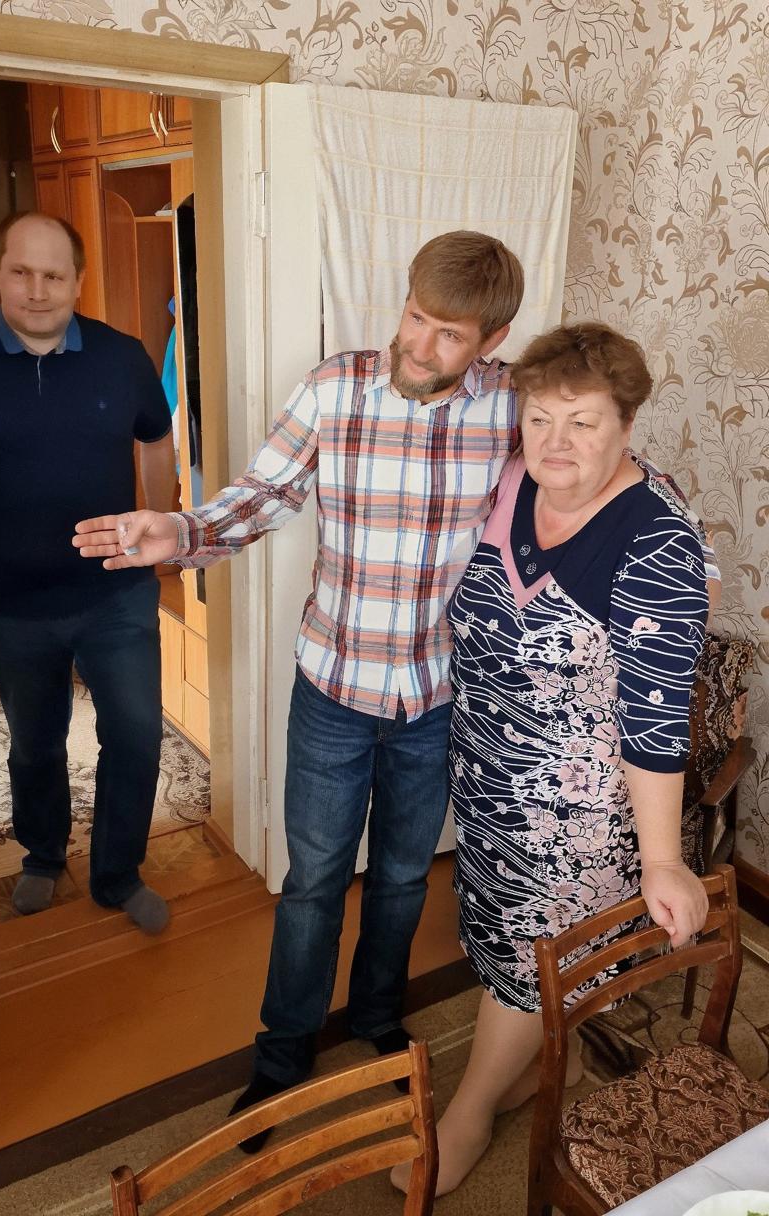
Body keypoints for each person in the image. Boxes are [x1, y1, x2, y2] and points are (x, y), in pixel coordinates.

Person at [71, 233, 718, 1147]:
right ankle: (283, 1054)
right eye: (415, 316)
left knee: (405, 878)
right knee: (313, 884)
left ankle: (378, 1023)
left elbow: (610, 471)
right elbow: (260, 495)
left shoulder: (512, 409)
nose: (419, 345)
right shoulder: (337, 387)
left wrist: (699, 557)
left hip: (434, 700)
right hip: (335, 687)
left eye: (448, 334)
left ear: (491, 341)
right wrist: (177, 531)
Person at [392, 322, 711, 1198]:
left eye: (583, 422)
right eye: (540, 418)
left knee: (536, 962)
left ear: (626, 426)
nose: (556, 442)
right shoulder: (507, 485)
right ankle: (536, 1066)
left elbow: (654, 720)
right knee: (501, 943)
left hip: (579, 817)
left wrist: (663, 860)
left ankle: (470, 1109)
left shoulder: (656, 541)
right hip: (489, 782)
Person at [0, 212, 177, 935]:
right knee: (34, 740)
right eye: (21, 272)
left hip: (115, 593)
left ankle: (118, 872)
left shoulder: (122, 356)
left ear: (78, 280)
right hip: (9, 600)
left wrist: (159, 532)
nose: (37, 290)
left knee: (135, 734)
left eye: (54, 275)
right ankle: (42, 853)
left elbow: (157, 441)